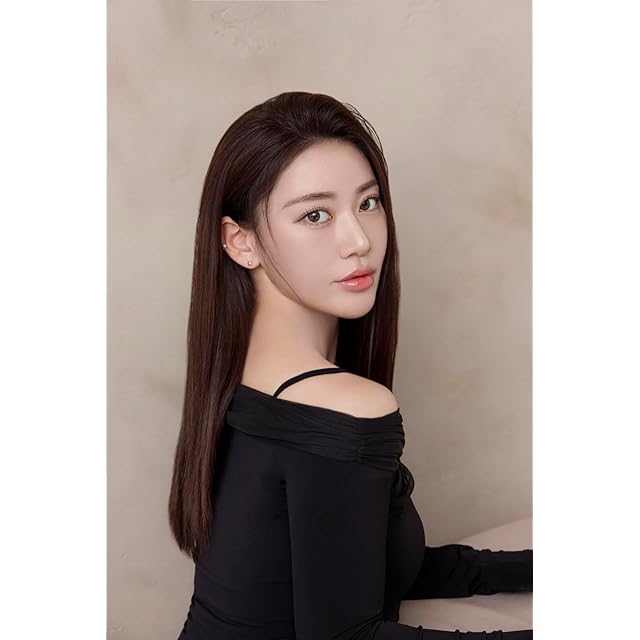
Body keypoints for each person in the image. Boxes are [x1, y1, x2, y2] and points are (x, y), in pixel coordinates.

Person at [168, 91, 533, 639]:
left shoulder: (235, 381)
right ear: (240, 242)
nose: (359, 240)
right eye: (315, 215)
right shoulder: (341, 406)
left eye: (368, 202)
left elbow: (361, 567)